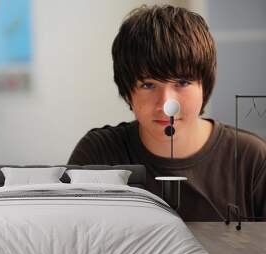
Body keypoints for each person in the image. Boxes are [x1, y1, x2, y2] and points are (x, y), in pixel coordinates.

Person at [68, 5, 266, 221]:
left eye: (182, 82)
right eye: (148, 85)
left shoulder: (252, 160)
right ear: (128, 92)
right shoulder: (99, 157)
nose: (166, 105)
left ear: (205, 86)